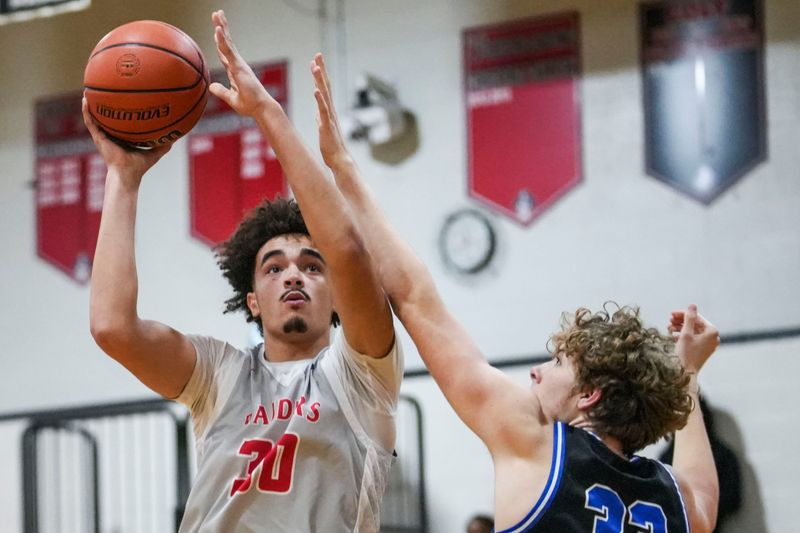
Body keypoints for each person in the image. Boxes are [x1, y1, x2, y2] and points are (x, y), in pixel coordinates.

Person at [308, 54, 721, 532]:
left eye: (558, 362)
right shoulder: (672, 500)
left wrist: (343, 168)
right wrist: (687, 373)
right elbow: (704, 495)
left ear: (589, 395)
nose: (536, 372)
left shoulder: (538, 443)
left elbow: (416, 299)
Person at [84, 10, 401, 533]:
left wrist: (267, 112)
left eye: (312, 266)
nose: (293, 276)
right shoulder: (219, 374)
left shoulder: (364, 374)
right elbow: (112, 328)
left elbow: (346, 248)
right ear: (252, 299)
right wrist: (123, 177)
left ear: (337, 295)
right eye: (273, 268)